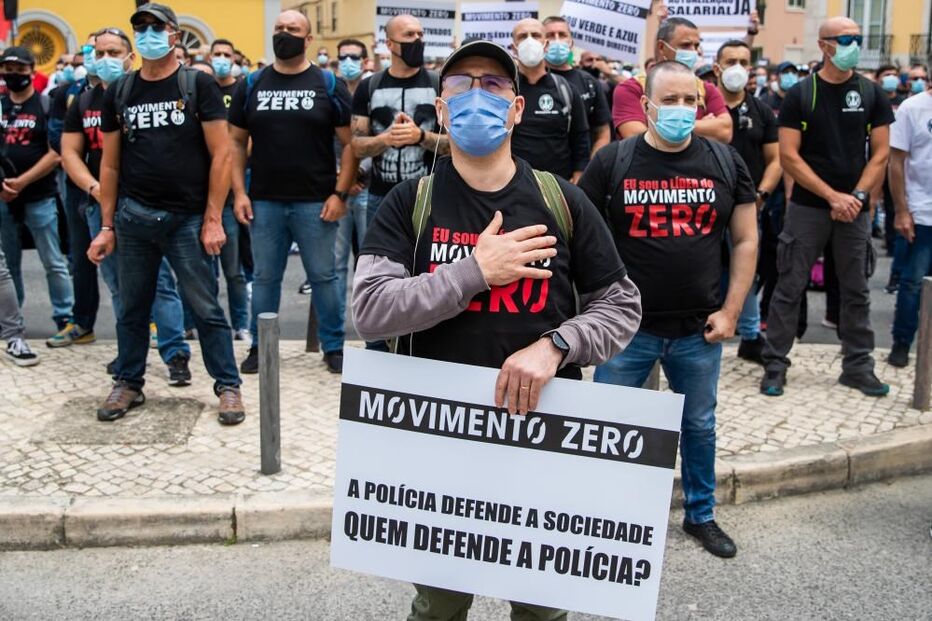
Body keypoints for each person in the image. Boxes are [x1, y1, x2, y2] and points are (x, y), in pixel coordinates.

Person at [353, 39, 641, 620]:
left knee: (541, 606)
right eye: (461, 86)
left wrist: (557, 346)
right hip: (440, 438)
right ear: (441, 109)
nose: (476, 97)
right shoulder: (411, 203)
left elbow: (621, 305)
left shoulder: (562, 201)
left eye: (493, 86)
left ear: (516, 110)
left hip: (542, 436)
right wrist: (475, 272)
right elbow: (371, 311)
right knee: (438, 605)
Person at [580, 60, 757, 559]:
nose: (680, 110)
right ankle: (602, 514)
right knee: (609, 424)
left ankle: (701, 514)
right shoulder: (613, 162)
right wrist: (594, 311)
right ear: (647, 105)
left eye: (690, 101)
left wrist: (731, 312)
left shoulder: (725, 162)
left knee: (698, 426)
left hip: (697, 330)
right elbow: (583, 240)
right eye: (670, 100)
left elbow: (745, 240)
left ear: (701, 106)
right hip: (625, 330)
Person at [88, 2, 245, 424]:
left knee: (206, 307)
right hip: (134, 217)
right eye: (139, 27)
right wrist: (106, 225)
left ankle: (227, 386)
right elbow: (110, 164)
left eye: (155, 27)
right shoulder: (120, 90)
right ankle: (128, 382)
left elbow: (222, 154)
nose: (146, 34)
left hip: (188, 220)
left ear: (174, 35)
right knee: (133, 309)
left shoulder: (197, 85)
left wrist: (213, 218)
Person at [760, 17, 894, 397]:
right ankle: (775, 363)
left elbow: (881, 153)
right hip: (808, 207)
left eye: (857, 37)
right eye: (846, 38)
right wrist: (832, 196)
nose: (854, 44)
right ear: (824, 45)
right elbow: (789, 156)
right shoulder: (803, 93)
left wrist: (857, 198)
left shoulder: (872, 93)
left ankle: (857, 364)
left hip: (855, 208)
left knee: (856, 290)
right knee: (789, 285)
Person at [61, 26, 193, 381]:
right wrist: (94, 189)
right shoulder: (84, 102)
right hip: (97, 205)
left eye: (112, 52)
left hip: (141, 204)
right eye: (98, 52)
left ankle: (175, 353)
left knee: (161, 283)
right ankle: (128, 357)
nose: (105, 59)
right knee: (121, 286)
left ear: (129, 56)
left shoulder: (139, 94)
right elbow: (70, 152)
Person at [230, 10, 354, 375]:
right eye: (279, 29)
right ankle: (260, 345)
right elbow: (236, 143)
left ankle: (333, 347)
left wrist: (340, 194)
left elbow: (349, 145)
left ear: (308, 38)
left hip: (316, 201)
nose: (285, 34)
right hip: (265, 201)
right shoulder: (251, 84)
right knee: (265, 278)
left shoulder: (329, 84)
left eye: (293, 29)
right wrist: (239, 192)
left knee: (324, 277)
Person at [713, 40, 781, 364]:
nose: (737, 67)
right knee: (708, 266)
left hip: (747, 205)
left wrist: (761, 195)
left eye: (743, 60)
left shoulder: (761, 110)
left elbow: (776, 159)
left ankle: (751, 335)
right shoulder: (704, 106)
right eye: (731, 61)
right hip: (706, 203)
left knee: (747, 267)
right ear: (717, 67)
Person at [0, 46, 74, 334]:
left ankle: (65, 318)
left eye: (20, 70)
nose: (13, 75)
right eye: (8, 70)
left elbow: (56, 153)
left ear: (32, 71)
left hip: (40, 196)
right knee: (8, 264)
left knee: (53, 261)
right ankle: (11, 320)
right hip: (4, 197)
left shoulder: (45, 106)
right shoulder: (1, 105)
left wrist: (22, 181)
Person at [350, 14, 446, 230]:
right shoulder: (369, 87)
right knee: (377, 261)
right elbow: (356, 146)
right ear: (390, 44)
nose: (417, 40)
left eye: (420, 34)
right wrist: (387, 138)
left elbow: (457, 143)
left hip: (429, 197)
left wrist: (421, 136)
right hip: (380, 198)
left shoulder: (439, 85)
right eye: (409, 34)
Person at [613, 17, 732, 143]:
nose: (693, 51)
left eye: (696, 46)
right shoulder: (631, 88)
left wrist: (665, 125)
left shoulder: (706, 89)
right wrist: (703, 127)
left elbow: (725, 132)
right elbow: (636, 136)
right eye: (685, 45)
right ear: (661, 47)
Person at [886, 77, 932, 367]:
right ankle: (902, 342)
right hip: (922, 212)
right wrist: (902, 210)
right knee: (913, 282)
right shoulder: (912, 109)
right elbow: (896, 162)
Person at [510, 18, 589, 181]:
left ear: (545, 45)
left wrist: (578, 179)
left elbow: (580, 138)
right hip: (513, 185)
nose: (530, 41)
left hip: (558, 187)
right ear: (514, 48)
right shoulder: (504, 89)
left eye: (536, 35)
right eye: (523, 36)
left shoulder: (565, 89)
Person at [208, 37, 249, 340]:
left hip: (235, 185)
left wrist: (239, 191)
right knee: (203, 272)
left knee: (234, 270)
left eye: (226, 54)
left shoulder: (242, 89)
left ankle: (241, 325)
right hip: (203, 188)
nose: (221, 58)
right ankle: (203, 325)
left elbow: (243, 141)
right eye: (217, 54)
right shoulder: (202, 90)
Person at [334, 38, 372, 333]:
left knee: (372, 262)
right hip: (336, 190)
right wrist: (341, 180)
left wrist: (358, 176)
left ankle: (370, 328)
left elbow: (372, 139)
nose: (348, 61)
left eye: (354, 56)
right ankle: (335, 332)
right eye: (343, 56)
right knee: (335, 266)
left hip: (367, 188)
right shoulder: (331, 91)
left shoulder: (371, 90)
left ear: (365, 60)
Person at [542, 16, 611, 156]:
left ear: (571, 42)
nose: (556, 40)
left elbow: (603, 132)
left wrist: (590, 169)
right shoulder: (530, 80)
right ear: (542, 42)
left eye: (562, 35)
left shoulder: (589, 82)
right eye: (550, 35)